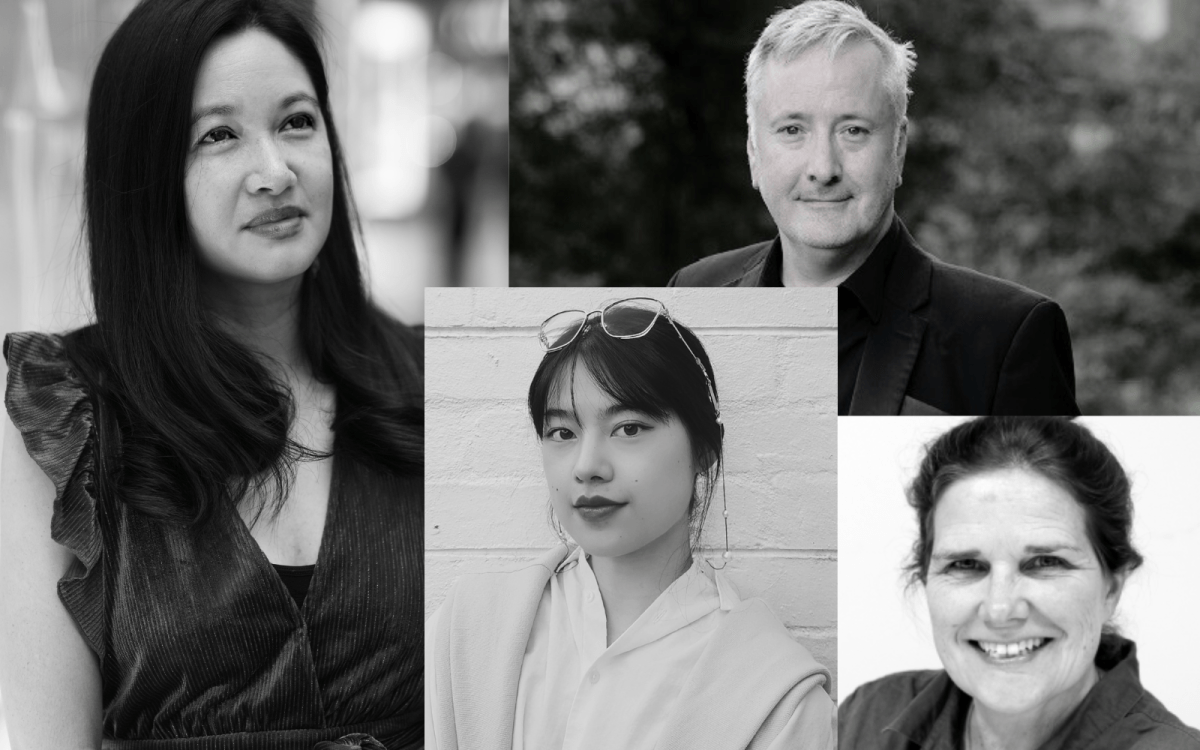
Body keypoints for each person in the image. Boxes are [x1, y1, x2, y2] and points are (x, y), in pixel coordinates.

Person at [0, 0, 423, 747]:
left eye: (297, 121)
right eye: (218, 135)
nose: (275, 170)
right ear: (144, 172)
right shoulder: (67, 415)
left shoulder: (438, 381)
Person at [424, 298, 836, 750]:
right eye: (563, 432)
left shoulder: (780, 700)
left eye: (630, 428)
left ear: (704, 450)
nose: (587, 466)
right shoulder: (467, 628)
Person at [666, 1, 1079, 417]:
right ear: (754, 152)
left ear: (898, 148)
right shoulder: (692, 297)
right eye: (793, 130)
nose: (823, 168)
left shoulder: (1006, 338)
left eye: (853, 131)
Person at [839, 417, 1200, 750]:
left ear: (1111, 589)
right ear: (924, 578)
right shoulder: (862, 719)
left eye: (1045, 563)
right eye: (966, 565)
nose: (1000, 610)